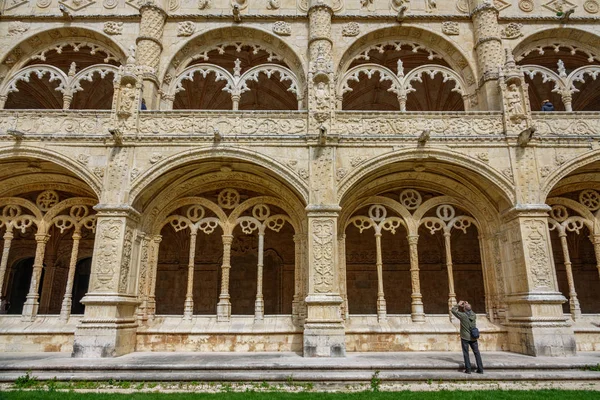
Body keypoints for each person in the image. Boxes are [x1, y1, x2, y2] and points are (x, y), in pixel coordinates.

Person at [452, 300, 483, 374]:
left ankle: (468, 369)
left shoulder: (463, 316)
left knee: (466, 353)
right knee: (477, 353)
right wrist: (467, 305)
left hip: (465, 337)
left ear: (464, 309)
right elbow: (470, 310)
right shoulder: (474, 315)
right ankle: (480, 369)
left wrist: (458, 305)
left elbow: (453, 310)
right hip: (473, 337)